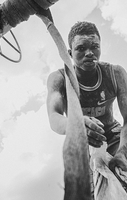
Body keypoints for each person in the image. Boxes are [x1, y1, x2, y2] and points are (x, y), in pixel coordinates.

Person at [46, 21, 127, 192]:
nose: (89, 53)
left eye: (95, 47)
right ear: (69, 53)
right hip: (83, 143)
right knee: (88, 191)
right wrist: (75, 124)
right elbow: (54, 118)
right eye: (81, 48)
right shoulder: (60, 79)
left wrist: (122, 151)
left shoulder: (115, 74)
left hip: (113, 135)